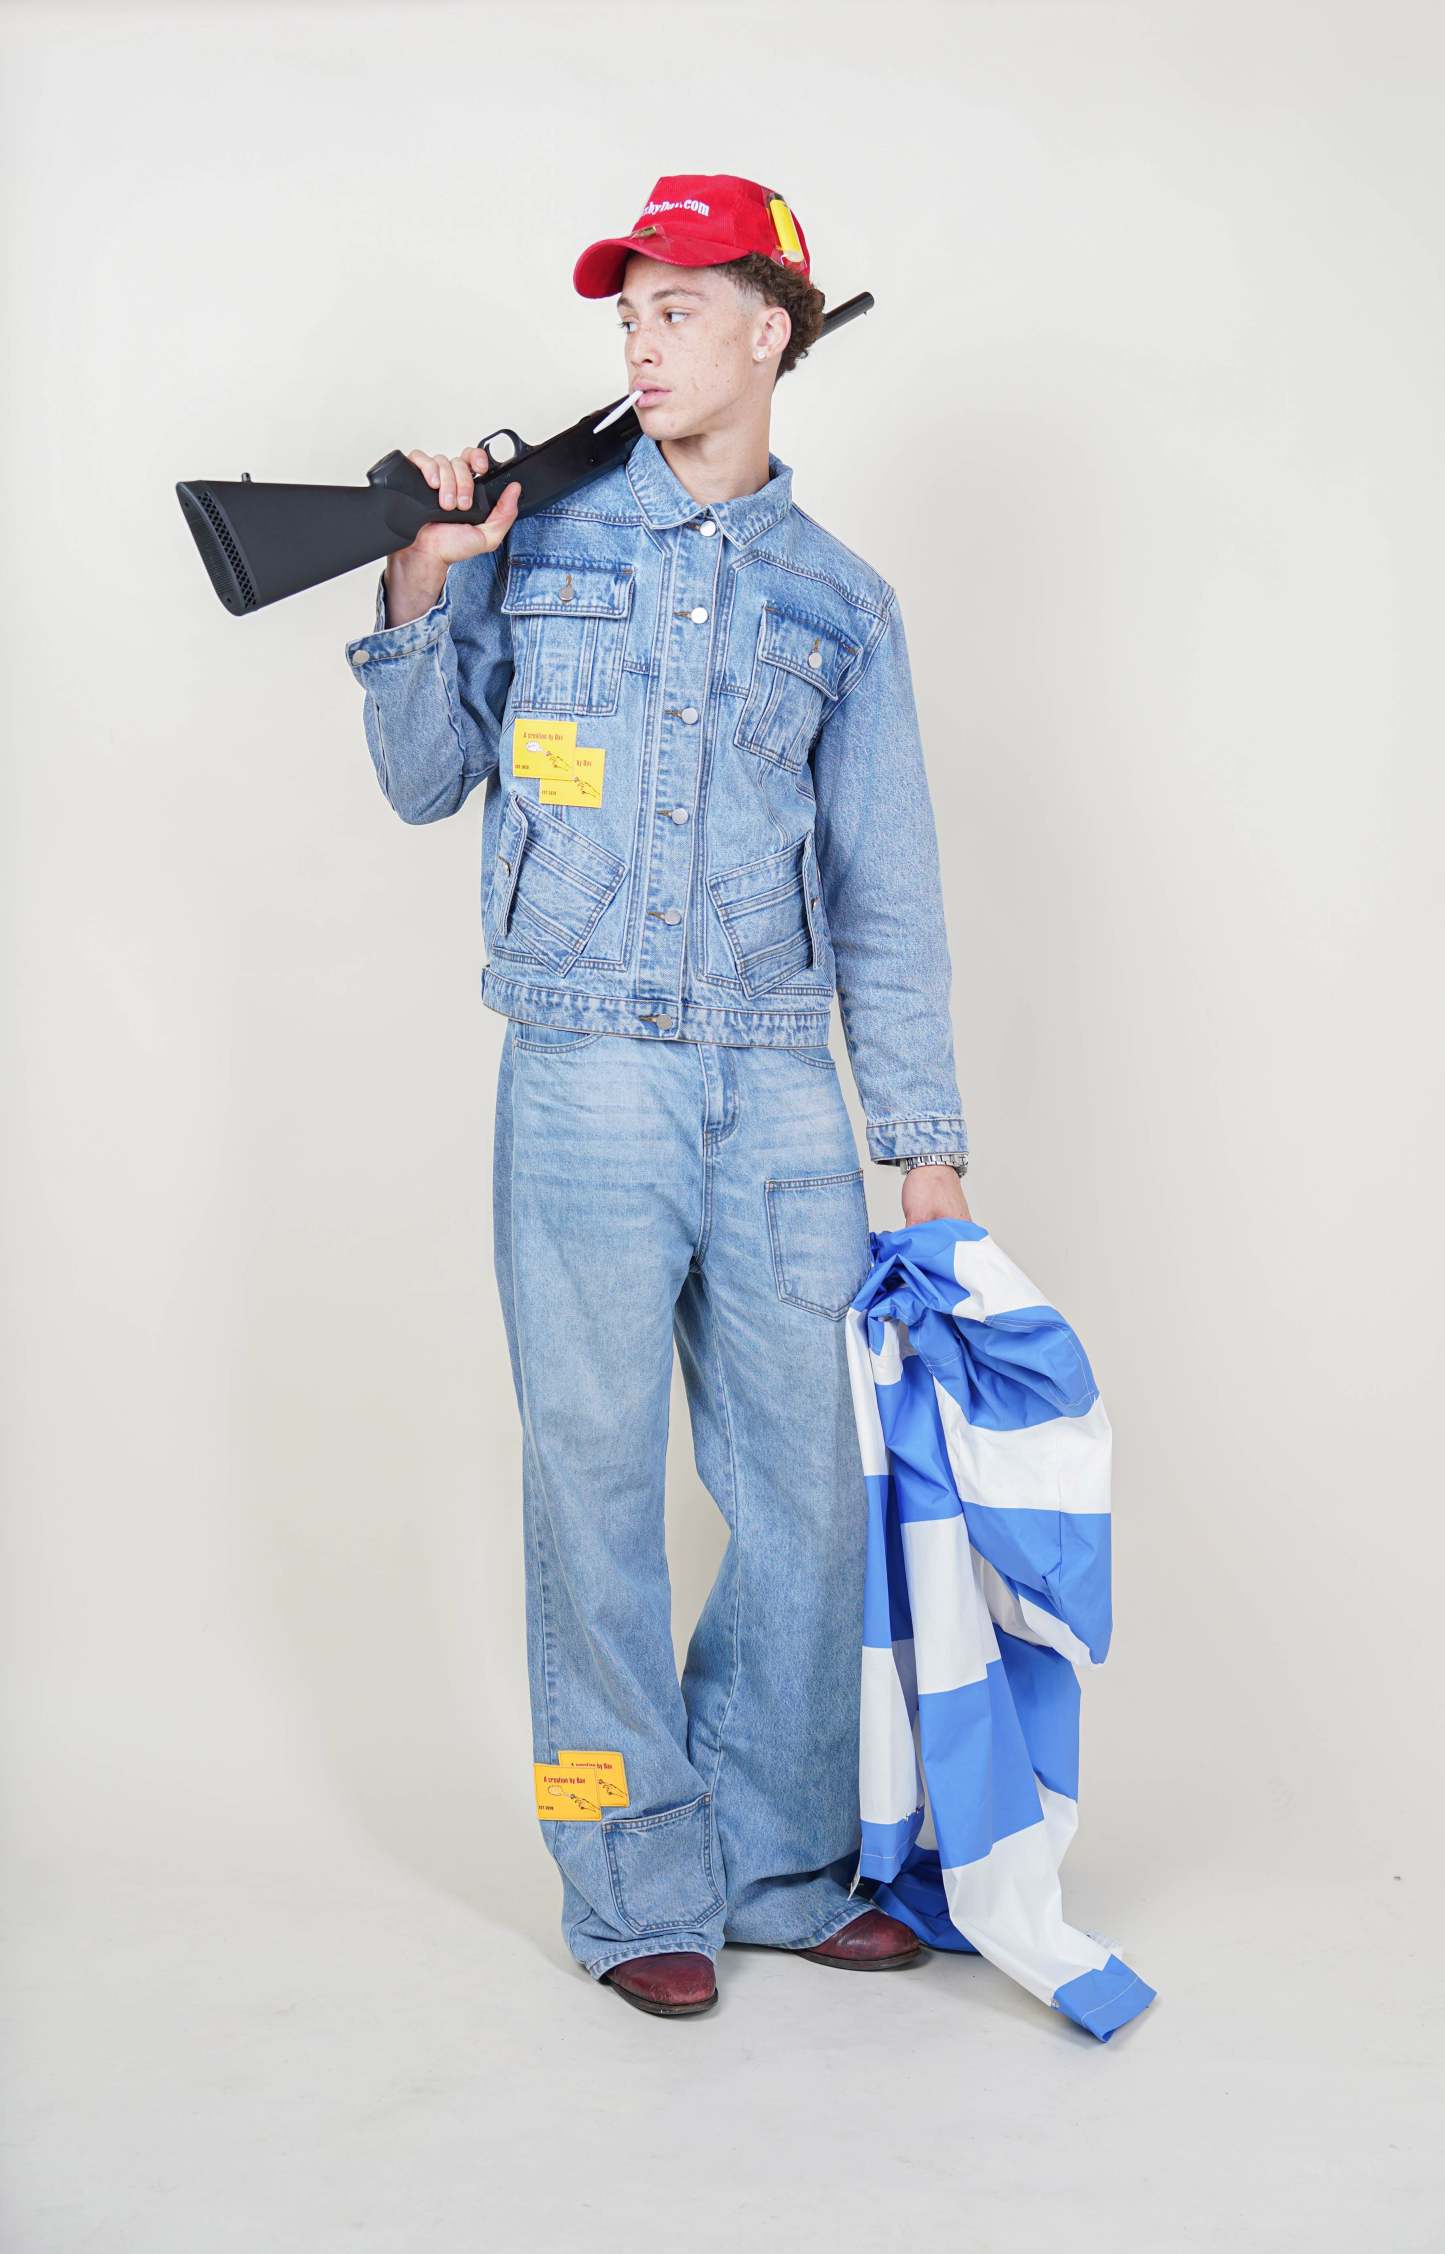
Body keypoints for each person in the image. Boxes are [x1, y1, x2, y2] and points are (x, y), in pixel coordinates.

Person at [344, 173, 972, 2020]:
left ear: (771, 330)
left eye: (677, 307)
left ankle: (771, 1868)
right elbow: (419, 776)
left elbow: (887, 889)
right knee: (592, 1491)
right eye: (626, 310)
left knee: (805, 1492)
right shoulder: (530, 537)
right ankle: (629, 1887)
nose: (639, 339)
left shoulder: (840, 600)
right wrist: (421, 575)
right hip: (581, 1074)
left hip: (778, 1089)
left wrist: (922, 1148)